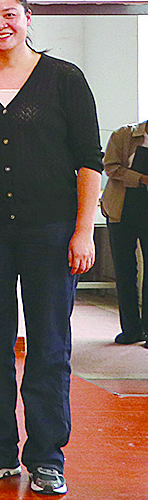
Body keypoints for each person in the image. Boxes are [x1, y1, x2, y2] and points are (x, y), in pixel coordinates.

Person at [0, 0, 103, 496]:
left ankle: (47, 456)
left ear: (28, 18)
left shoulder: (64, 79)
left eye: (9, 14)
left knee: (49, 344)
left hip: (51, 232)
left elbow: (89, 160)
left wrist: (83, 230)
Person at [102, 118, 148, 345]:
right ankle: (131, 330)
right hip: (121, 209)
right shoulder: (124, 135)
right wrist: (141, 178)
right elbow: (110, 167)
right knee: (124, 270)